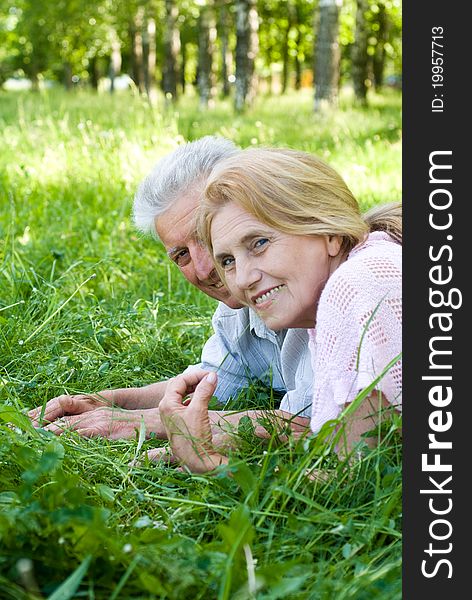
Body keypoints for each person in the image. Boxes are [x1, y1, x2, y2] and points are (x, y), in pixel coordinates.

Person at [28, 138, 314, 444]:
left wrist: (151, 422)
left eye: (206, 236)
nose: (204, 269)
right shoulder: (238, 310)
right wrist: (108, 402)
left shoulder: (324, 289)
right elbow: (211, 381)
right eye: (181, 255)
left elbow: (322, 425)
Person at [158, 147, 402, 473]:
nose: (243, 279)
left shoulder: (356, 285)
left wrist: (211, 464)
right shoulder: (347, 283)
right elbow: (341, 451)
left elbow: (351, 479)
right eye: (228, 260)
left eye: (259, 243)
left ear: (327, 232)